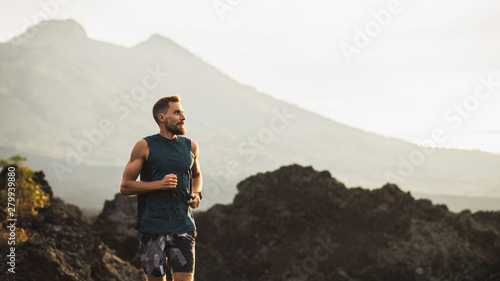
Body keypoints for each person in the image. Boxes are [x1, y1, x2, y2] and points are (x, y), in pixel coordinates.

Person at [120, 95, 202, 281]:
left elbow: (196, 174)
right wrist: (159, 185)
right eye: (177, 112)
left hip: (183, 227)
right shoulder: (145, 146)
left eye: (182, 112)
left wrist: (196, 193)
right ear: (161, 117)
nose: (183, 117)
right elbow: (125, 186)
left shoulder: (191, 147)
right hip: (152, 227)